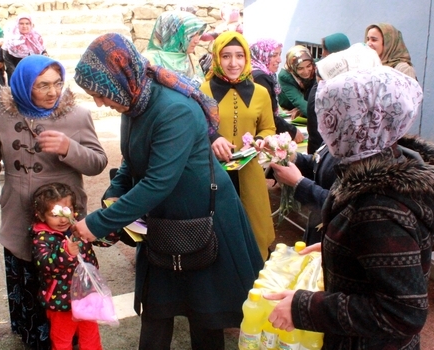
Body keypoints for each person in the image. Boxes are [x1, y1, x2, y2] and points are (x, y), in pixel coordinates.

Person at [73, 33, 263, 350]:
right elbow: (131, 164)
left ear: (121, 80)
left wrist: (98, 223)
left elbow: (158, 182)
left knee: (206, 313)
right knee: (157, 307)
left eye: (99, 93)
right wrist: (114, 195)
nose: (99, 102)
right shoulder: (133, 105)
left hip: (204, 219)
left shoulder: (173, 110)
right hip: (164, 219)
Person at [265, 66, 434, 349]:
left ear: (359, 123)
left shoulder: (378, 207)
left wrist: (306, 307)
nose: (325, 125)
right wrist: (335, 249)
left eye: (332, 116)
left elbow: (403, 314)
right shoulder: (375, 165)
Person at [0, 54, 107, 349]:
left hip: (62, 222)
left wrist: (68, 148)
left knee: (65, 284)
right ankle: (33, 337)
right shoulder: (1, 115)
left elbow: (98, 163)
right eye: (42, 85)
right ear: (23, 85)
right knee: (28, 283)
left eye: (57, 84)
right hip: (19, 216)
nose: (52, 92)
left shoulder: (77, 116)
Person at [271, 43, 381, 245]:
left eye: (327, 85)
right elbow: (321, 163)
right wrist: (290, 156)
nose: (320, 93)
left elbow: (349, 210)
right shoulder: (345, 132)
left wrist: (299, 184)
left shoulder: (368, 147)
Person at [200, 31, 276, 260]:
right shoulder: (202, 92)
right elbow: (194, 129)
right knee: (216, 226)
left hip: (249, 170)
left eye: (239, 56)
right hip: (212, 171)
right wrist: (213, 139)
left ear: (247, 59)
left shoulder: (261, 93)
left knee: (252, 224)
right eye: (226, 56)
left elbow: (268, 128)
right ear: (216, 58)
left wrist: (262, 139)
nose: (233, 63)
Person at [32, 183, 119, 350]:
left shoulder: (78, 228)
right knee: (62, 339)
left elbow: (102, 239)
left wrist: (114, 224)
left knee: (90, 335)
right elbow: (44, 263)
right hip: (61, 300)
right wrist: (66, 252)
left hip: (87, 295)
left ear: (74, 211)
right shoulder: (42, 237)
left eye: (67, 212)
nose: (63, 219)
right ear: (41, 216)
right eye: (54, 215)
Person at [250, 38, 303, 143]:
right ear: (261, 55)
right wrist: (292, 131)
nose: (279, 60)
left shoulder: (261, 73)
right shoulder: (260, 77)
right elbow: (268, 115)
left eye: (279, 54)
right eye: (274, 55)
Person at [304, 34, 351, 153]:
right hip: (323, 150)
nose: (322, 54)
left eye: (325, 50)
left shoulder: (336, 81)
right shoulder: (326, 79)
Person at [143, 11, 207, 86]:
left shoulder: (191, 59)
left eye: (198, 34)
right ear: (174, 34)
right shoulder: (149, 60)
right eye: (192, 35)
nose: (197, 41)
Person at [2, 14, 47, 83]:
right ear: (17, 24)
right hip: (16, 75)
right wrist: (16, 74)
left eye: (27, 23)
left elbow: (43, 51)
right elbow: (7, 59)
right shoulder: (10, 40)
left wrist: (44, 54)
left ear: (31, 24)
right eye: (21, 23)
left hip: (34, 74)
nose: (24, 26)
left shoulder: (36, 37)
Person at [277, 45, 316, 123]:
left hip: (308, 105)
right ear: (292, 67)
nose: (306, 71)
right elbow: (298, 100)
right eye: (300, 68)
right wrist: (320, 119)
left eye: (308, 66)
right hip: (289, 105)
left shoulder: (317, 68)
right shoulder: (284, 76)